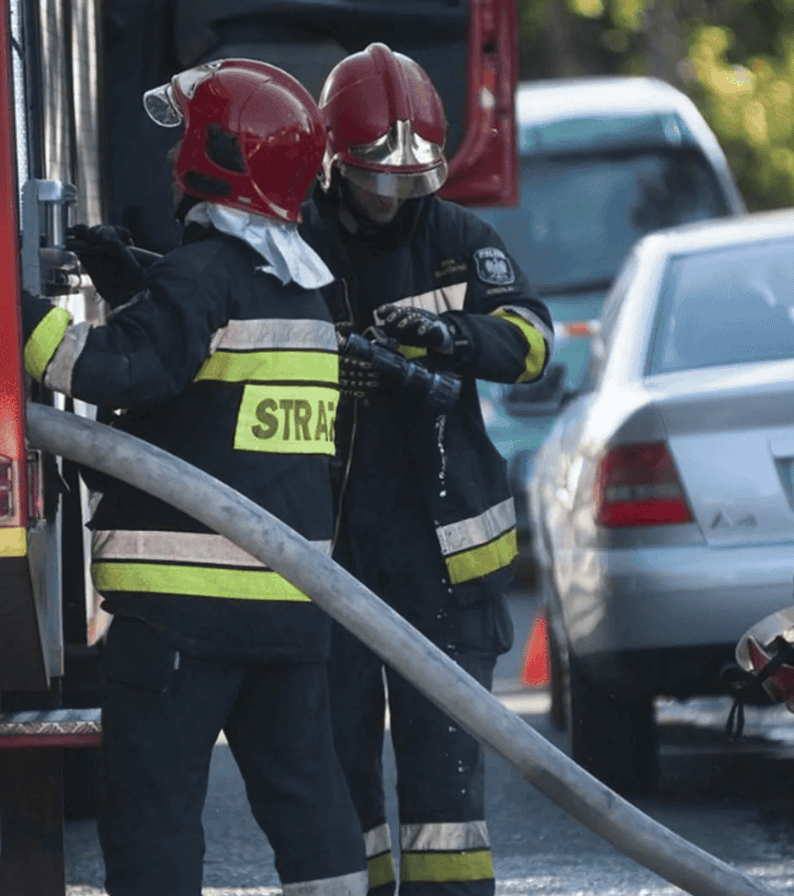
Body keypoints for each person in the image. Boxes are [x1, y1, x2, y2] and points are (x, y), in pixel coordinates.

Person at [20, 58, 365, 896]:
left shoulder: (201, 279)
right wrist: (138, 277)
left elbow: (117, 370)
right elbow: (211, 375)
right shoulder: (304, 295)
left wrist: (11, 307)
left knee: (154, 809)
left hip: (183, 616)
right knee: (308, 803)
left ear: (212, 154)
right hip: (288, 611)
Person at [300, 43, 553, 896]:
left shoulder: (459, 240)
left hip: (443, 565)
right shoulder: (292, 242)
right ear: (335, 161)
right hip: (326, 556)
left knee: (446, 790)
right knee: (340, 777)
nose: (396, 194)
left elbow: (533, 342)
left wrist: (455, 338)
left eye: (412, 175)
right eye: (377, 176)